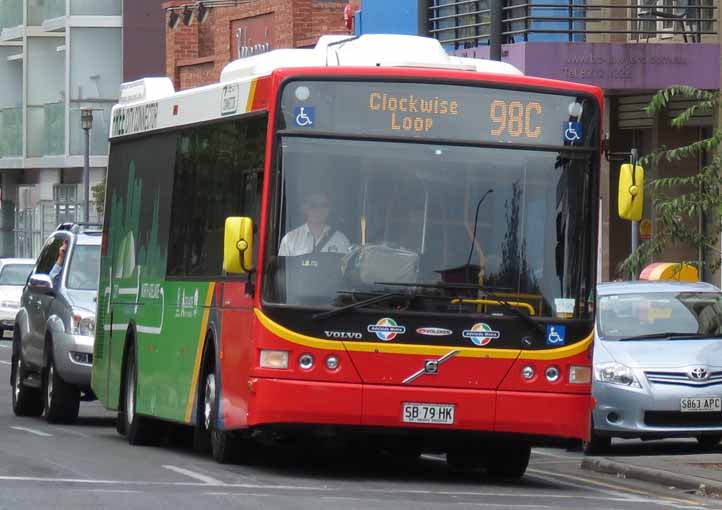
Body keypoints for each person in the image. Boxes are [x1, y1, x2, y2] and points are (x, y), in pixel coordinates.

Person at [279, 191, 350, 256]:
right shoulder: (289, 239)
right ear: (304, 208)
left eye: (323, 205)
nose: (318, 209)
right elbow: (283, 269)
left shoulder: (341, 240)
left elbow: (347, 269)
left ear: (328, 210)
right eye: (313, 205)